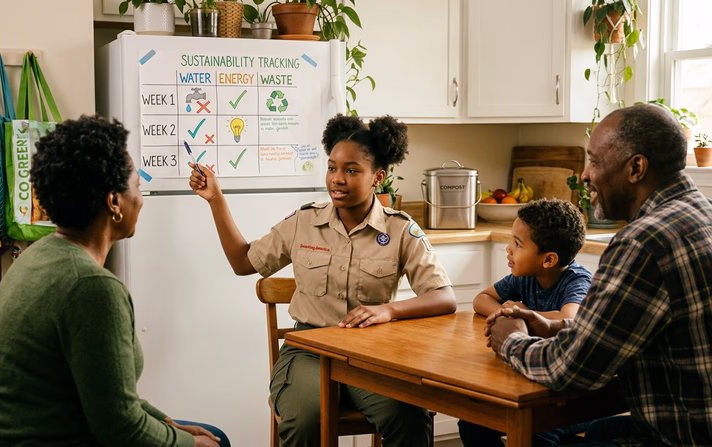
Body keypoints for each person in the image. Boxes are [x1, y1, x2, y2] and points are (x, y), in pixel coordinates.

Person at [189, 114, 457, 447]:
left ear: (378, 177)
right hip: (309, 351)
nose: (337, 179)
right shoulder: (304, 221)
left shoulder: (400, 229)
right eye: (332, 168)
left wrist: (389, 310)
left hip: (371, 355)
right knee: (303, 420)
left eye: (351, 170)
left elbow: (444, 297)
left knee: (411, 416)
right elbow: (244, 262)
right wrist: (216, 199)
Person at [0, 115, 230, 447]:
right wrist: (188, 444)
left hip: (0, 437)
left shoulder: (39, 253)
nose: (142, 197)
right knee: (215, 442)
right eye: (136, 184)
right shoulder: (91, 288)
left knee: (209, 435)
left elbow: (106, 395)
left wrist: (167, 423)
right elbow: (120, 428)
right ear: (114, 202)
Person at [486, 104, 712, 446]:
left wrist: (511, 341)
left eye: (594, 161)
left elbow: (572, 369)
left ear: (636, 167)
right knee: (599, 432)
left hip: (680, 436)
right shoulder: (701, 214)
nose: (585, 175)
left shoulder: (644, 241)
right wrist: (557, 327)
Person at [459, 199, 593, 446]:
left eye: (518, 244)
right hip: (532, 381)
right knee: (472, 421)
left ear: (549, 260)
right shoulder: (525, 277)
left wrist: (524, 313)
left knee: (536, 432)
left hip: (573, 396)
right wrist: (504, 312)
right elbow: (481, 299)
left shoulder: (576, 280)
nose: (508, 249)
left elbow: (570, 319)